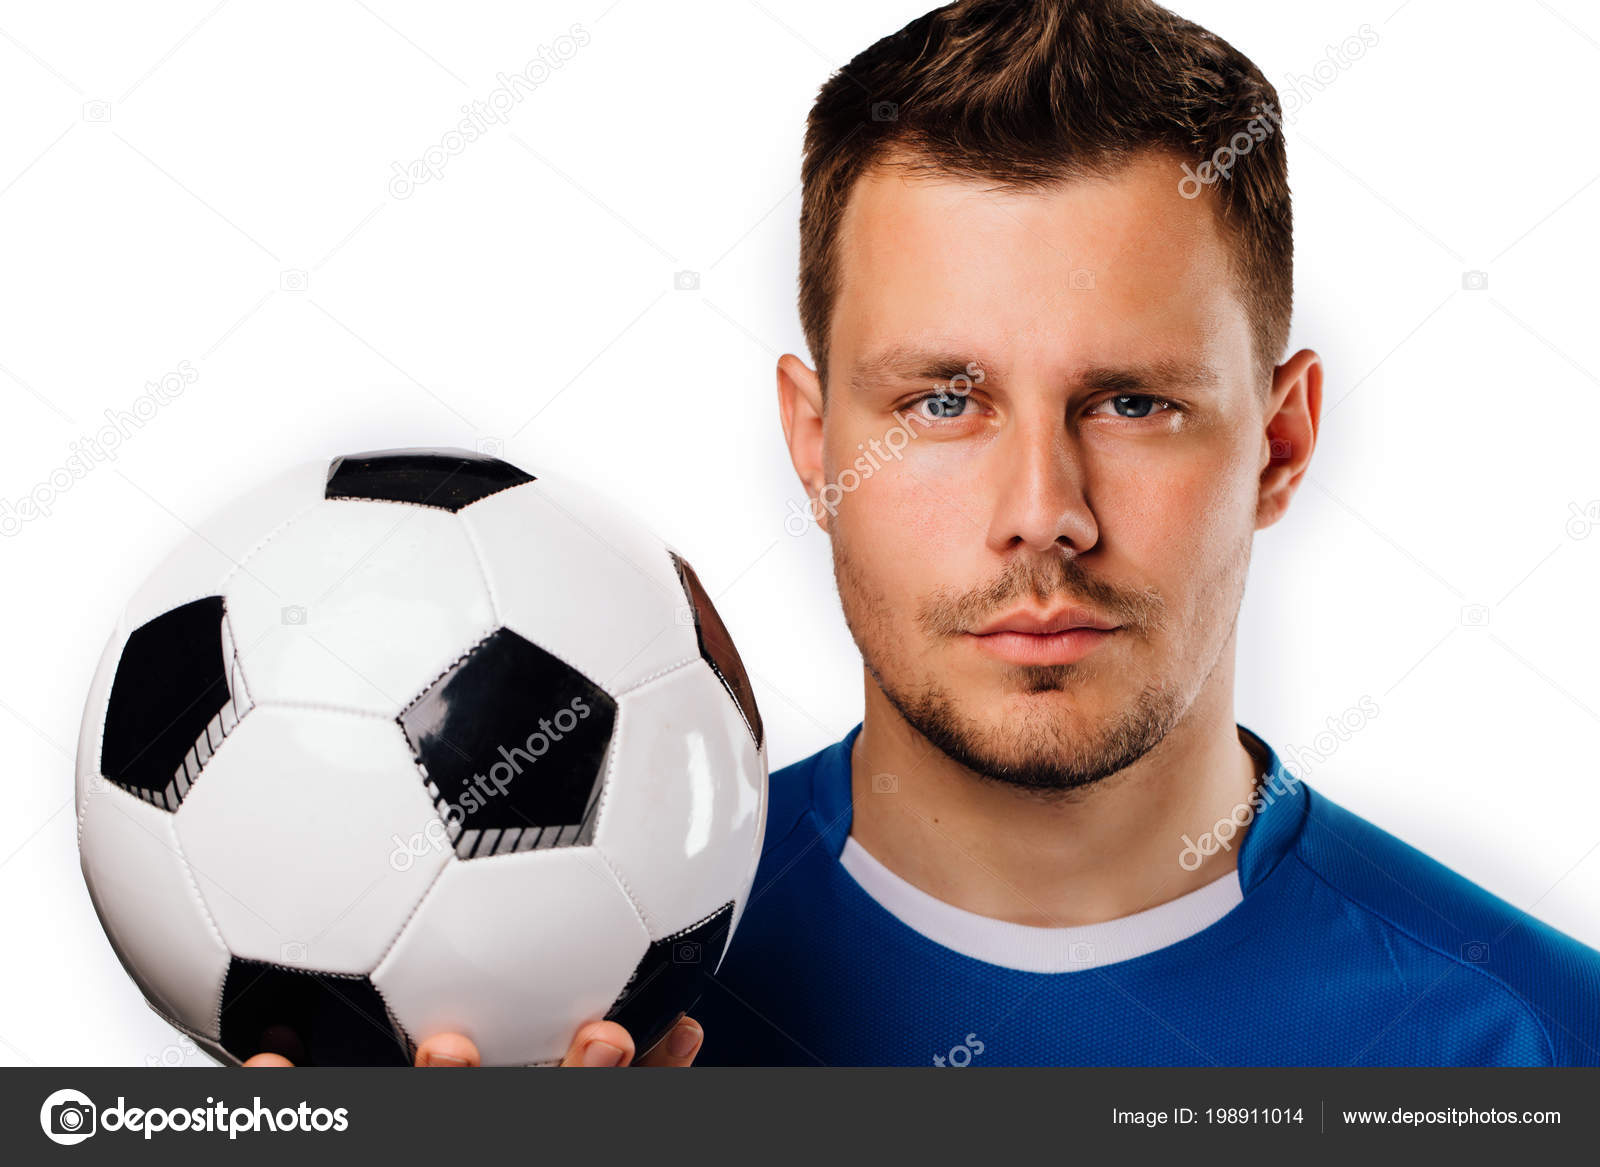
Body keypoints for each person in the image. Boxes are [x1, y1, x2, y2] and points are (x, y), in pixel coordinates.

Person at [255, 0, 1600, 1068]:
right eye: (943, 402)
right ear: (816, 436)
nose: (1042, 514)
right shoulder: (537, 1029)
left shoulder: (1543, 1047)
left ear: (1280, 440)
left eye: (1134, 402)